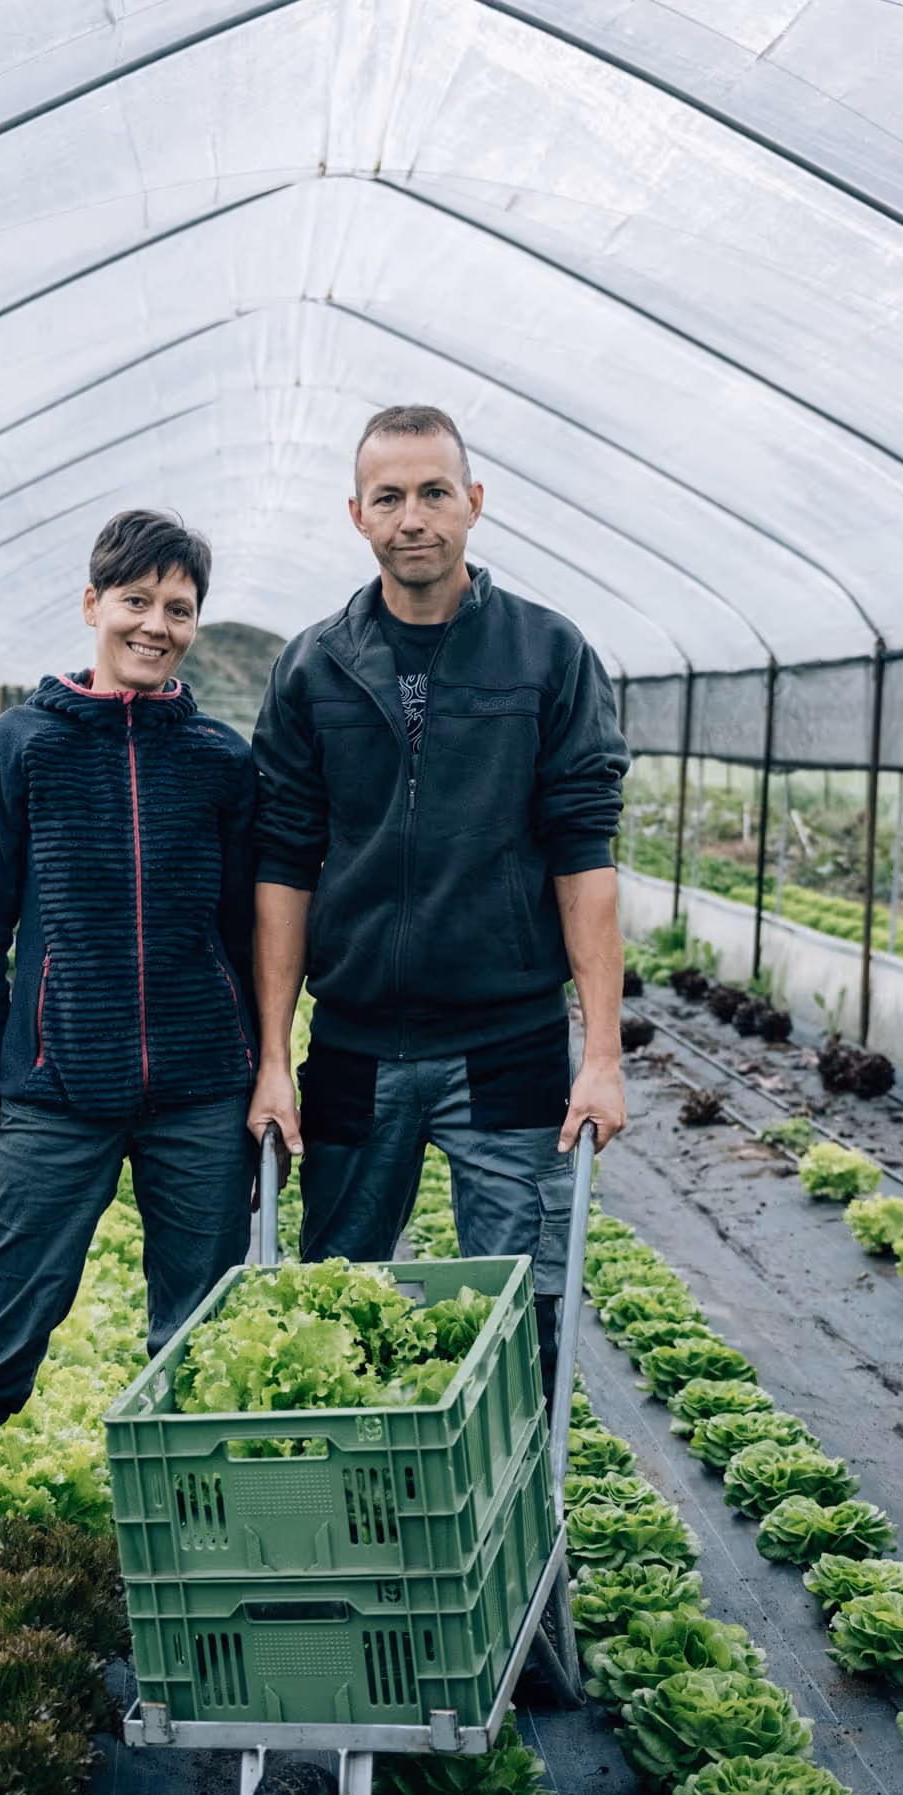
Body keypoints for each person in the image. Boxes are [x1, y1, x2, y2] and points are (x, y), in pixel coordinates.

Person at [0, 509, 258, 1651]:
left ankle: (191, 1587)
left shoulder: (222, 761)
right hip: (51, 1093)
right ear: (93, 605)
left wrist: (261, 1072)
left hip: (198, 1096)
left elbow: (246, 929)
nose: (157, 623)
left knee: (192, 1345)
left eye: (178, 607)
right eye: (136, 600)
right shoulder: (21, 747)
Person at [248, 405, 629, 1394]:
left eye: (432, 491)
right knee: (333, 1301)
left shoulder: (546, 654)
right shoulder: (313, 666)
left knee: (518, 1303)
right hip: (356, 1043)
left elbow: (583, 859)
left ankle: (507, 1526)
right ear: (356, 513)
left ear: (473, 502)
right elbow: (284, 867)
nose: (411, 515)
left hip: (506, 1043)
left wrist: (600, 1057)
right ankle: (356, 1512)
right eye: (388, 496)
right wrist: (272, 1061)